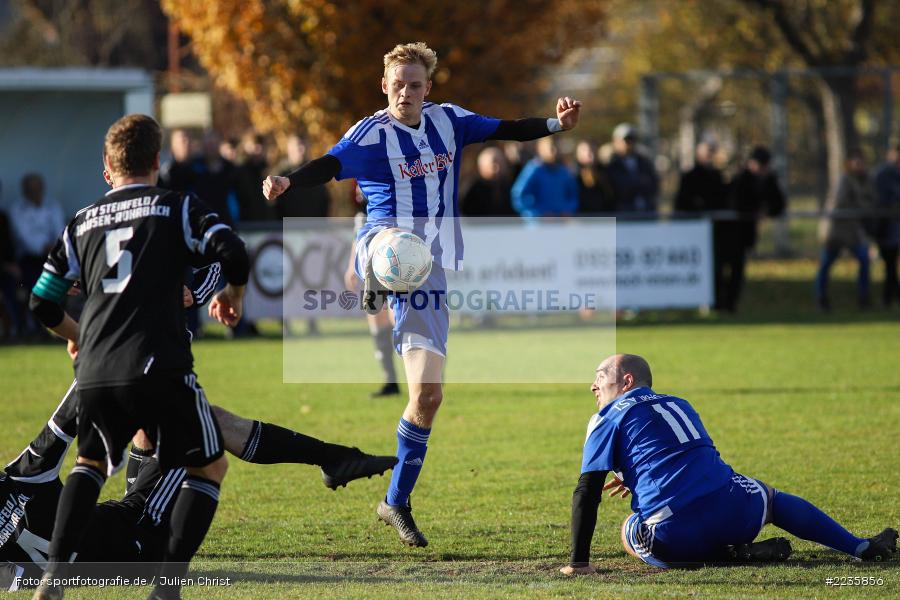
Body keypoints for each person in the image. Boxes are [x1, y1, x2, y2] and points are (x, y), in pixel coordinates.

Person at [262, 42, 582, 547]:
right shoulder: (370, 134)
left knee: (427, 397)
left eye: (415, 84)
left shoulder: (449, 121)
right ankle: (374, 275)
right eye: (397, 84)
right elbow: (327, 164)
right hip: (383, 240)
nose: (406, 92)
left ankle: (395, 501)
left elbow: (504, 128)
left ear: (427, 88)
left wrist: (554, 126)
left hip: (430, 270)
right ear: (383, 86)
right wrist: (287, 180)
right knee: (396, 245)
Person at [28, 114, 250, 600]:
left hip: (98, 369)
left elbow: (42, 301)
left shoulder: (81, 222)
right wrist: (233, 295)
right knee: (208, 468)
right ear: (156, 161)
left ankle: (54, 579)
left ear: (108, 165)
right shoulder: (177, 207)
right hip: (161, 364)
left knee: (89, 464)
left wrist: (79, 335)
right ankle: (167, 587)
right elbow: (233, 251)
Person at [1, 372, 396, 591]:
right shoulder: (21, 475)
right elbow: (84, 388)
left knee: (155, 419)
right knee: (195, 418)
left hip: (128, 532)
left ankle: (333, 459)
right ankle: (331, 458)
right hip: (148, 533)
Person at [561, 354, 897, 574]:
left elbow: (587, 490)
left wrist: (579, 562)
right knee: (771, 497)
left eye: (600, 376)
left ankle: (727, 557)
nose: (593, 384)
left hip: (675, 532)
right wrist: (635, 470)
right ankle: (860, 547)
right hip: (736, 510)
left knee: (629, 528)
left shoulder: (606, 417)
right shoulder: (679, 403)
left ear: (627, 381)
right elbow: (687, 455)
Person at [727, 146, 787, 311]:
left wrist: (767, 210)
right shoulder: (740, 179)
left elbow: (779, 204)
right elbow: (735, 203)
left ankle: (731, 305)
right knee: (725, 269)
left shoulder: (769, 180)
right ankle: (723, 304)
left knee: (738, 270)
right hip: (729, 233)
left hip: (746, 234)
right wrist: (754, 211)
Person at [674, 142, 731, 311]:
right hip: (694, 232)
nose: (710, 156)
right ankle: (695, 302)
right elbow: (681, 203)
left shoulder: (718, 175)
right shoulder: (690, 176)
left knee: (717, 267)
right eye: (707, 153)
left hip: (715, 230)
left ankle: (716, 303)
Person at [815, 149, 875, 311]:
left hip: (853, 232)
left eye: (861, 162)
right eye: (856, 162)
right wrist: (861, 205)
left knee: (864, 260)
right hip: (837, 231)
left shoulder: (865, 181)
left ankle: (864, 299)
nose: (859, 166)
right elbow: (840, 203)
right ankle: (822, 298)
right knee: (826, 264)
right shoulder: (844, 180)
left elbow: (870, 201)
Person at [9, 174, 66, 335]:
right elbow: (26, 238)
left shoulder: (53, 206)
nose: (35, 192)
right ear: (25, 191)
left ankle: (57, 327)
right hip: (29, 259)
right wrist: (47, 248)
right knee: (34, 289)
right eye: (31, 189)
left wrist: (55, 249)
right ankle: (32, 327)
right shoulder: (17, 209)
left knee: (65, 284)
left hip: (54, 255)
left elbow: (61, 231)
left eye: (38, 188)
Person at [511, 136, 579, 218]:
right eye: (551, 147)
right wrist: (538, 213)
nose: (555, 151)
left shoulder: (564, 171)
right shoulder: (533, 169)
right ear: (541, 149)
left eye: (557, 146)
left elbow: (573, 195)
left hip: (560, 222)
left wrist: (567, 210)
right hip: (539, 224)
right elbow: (518, 196)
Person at [272, 134, 331, 218]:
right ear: (289, 149)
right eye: (298, 146)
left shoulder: (315, 172)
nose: (302, 150)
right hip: (287, 227)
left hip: (313, 227)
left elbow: (324, 201)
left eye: (304, 146)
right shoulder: (279, 175)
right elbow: (273, 207)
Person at [605, 123, 658, 215]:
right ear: (615, 141)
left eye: (632, 140)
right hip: (622, 216)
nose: (629, 143)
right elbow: (617, 190)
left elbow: (653, 185)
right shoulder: (611, 166)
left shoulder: (644, 163)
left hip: (646, 213)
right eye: (625, 140)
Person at [873, 145, 900, 307]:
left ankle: (890, 297)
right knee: (889, 264)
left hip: (894, 228)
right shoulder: (884, 175)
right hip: (886, 227)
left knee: (891, 265)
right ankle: (888, 298)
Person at [460, 147, 515, 217]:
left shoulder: (509, 186)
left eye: (502, 163)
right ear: (482, 166)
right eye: (494, 164)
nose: (498, 168)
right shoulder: (472, 188)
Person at [573, 140, 614, 215]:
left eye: (592, 149)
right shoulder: (573, 175)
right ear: (577, 154)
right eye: (585, 150)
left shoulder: (607, 173)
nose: (590, 154)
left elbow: (611, 197)